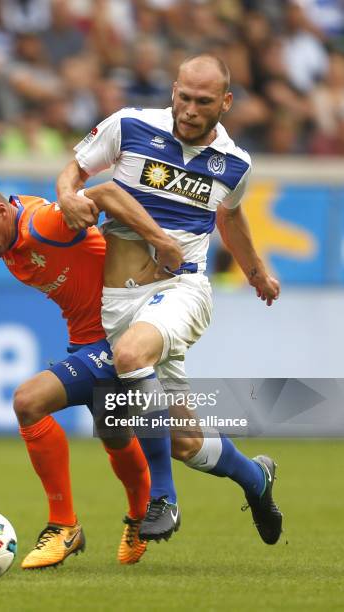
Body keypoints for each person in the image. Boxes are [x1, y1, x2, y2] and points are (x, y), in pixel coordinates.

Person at [56, 54, 284, 545]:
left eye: (203, 102)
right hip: (121, 300)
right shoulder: (129, 125)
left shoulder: (236, 162)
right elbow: (74, 170)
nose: (189, 110)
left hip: (183, 287)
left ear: (225, 102)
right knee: (181, 438)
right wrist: (69, 196)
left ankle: (165, 498)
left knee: (130, 354)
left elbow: (231, 216)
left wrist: (255, 270)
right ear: (173, 90)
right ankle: (256, 479)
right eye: (183, 97)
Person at [0, 169, 182, 569]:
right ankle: (146, 512)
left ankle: (63, 526)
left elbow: (107, 194)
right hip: (85, 340)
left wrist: (163, 243)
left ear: (1, 211)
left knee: (28, 401)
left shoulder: (45, 223)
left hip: (117, 339)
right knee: (116, 435)